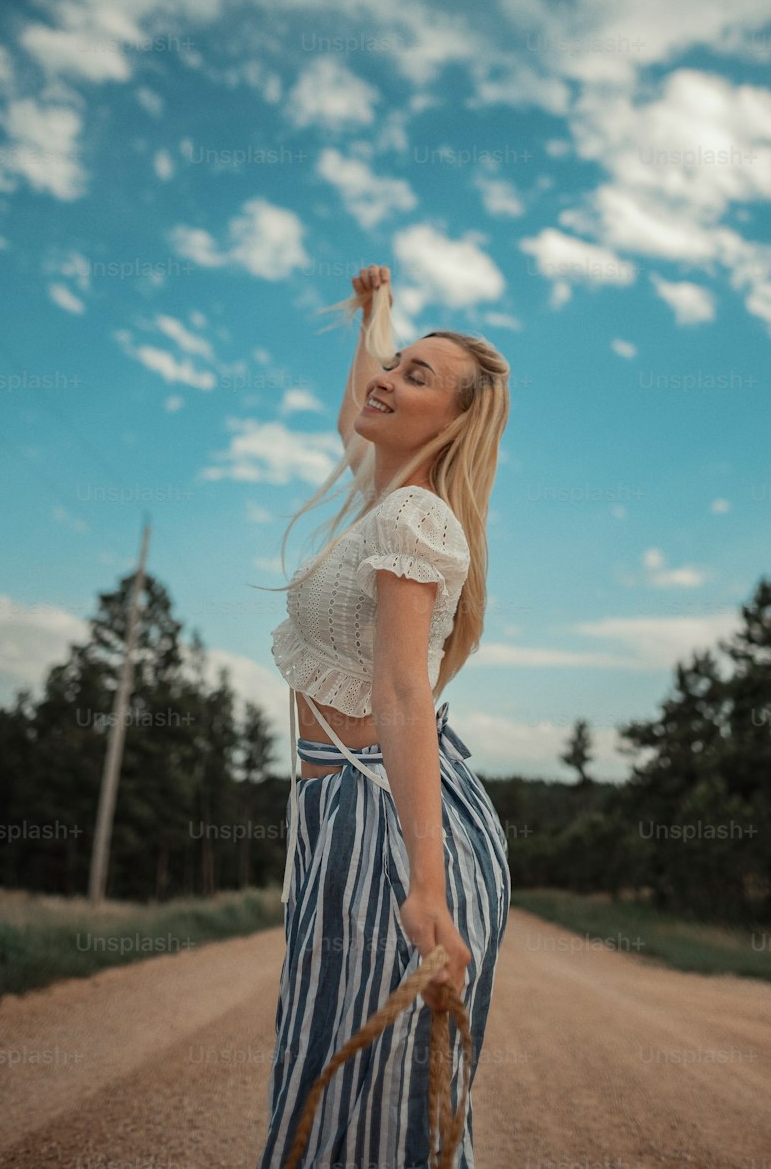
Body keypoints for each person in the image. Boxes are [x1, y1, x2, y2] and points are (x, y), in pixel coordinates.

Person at [251, 263, 512, 1168]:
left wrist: (429, 888)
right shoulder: (383, 491)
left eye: (417, 377)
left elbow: (404, 697)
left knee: (381, 1092)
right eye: (396, 364)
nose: (388, 379)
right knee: (327, 1061)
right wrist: (379, 316)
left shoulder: (414, 517)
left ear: (454, 421)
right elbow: (351, 413)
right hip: (341, 817)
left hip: (380, 825)